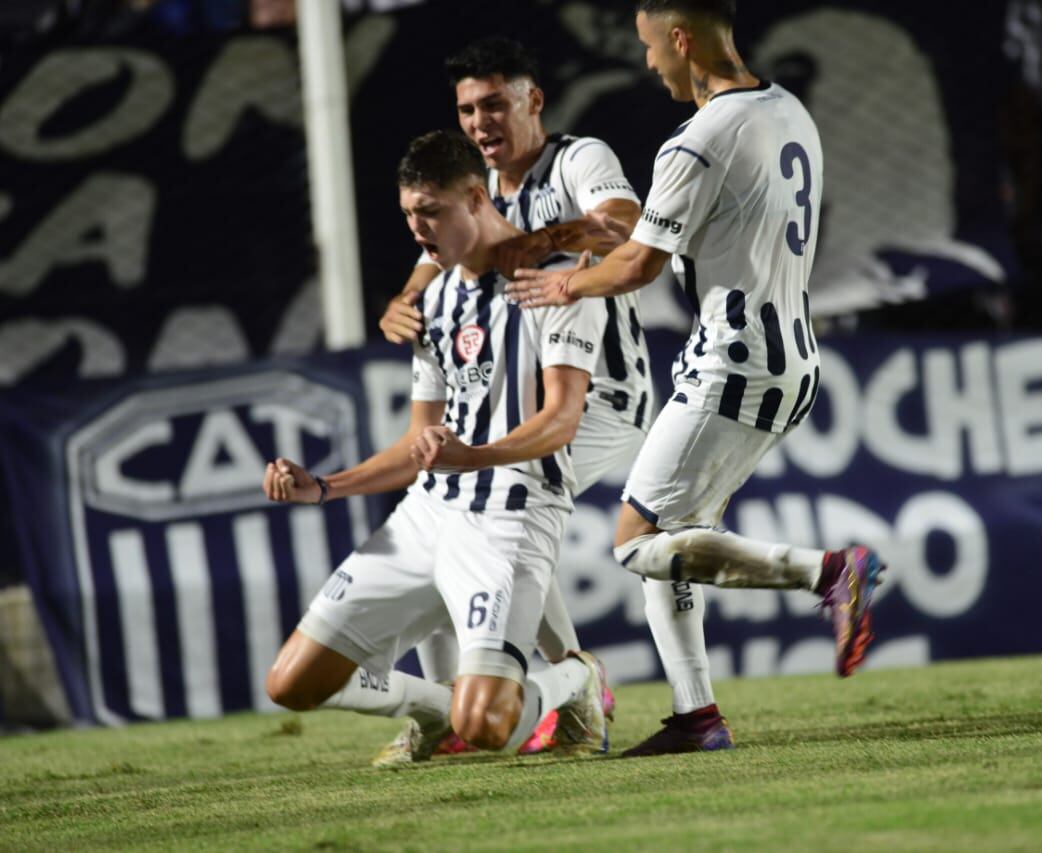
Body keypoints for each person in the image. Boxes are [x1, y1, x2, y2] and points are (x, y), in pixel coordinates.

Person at [508, 0, 885, 755]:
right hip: (789, 355)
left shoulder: (698, 140)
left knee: (633, 540)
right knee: (676, 536)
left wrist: (564, 285)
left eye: (651, 45)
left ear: (681, 40)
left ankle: (830, 572)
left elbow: (639, 263)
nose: (648, 62)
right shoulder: (787, 110)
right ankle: (698, 714)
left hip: (734, 360)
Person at [376, 36, 734, 759]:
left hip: (606, 399)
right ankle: (473, 714)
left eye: (494, 104)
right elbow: (422, 272)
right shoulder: (477, 188)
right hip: (523, 403)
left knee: (494, 500)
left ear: (532, 101)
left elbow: (627, 226)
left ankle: (573, 688)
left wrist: (530, 247)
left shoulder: (577, 158)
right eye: (467, 109)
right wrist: (400, 306)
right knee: (457, 507)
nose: (480, 121)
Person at [262, 129, 611, 763]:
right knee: (291, 683)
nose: (417, 228)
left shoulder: (557, 282)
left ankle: (578, 678)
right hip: (429, 512)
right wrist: (325, 486)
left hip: (512, 513)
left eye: (430, 211)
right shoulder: (434, 298)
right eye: (407, 214)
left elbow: (560, 422)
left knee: (492, 728)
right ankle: (434, 710)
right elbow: (415, 443)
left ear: (476, 197)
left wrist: (471, 456)